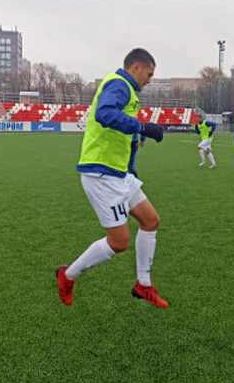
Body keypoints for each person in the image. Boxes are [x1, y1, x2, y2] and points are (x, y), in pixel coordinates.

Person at [56, 48, 170, 309]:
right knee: (119, 242)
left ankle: (144, 285)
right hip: (101, 174)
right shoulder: (119, 84)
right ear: (136, 67)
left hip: (120, 174)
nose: (150, 79)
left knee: (151, 220)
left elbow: (122, 136)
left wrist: (131, 167)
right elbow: (105, 114)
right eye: (149, 74)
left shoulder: (128, 92)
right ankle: (68, 275)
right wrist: (143, 127)